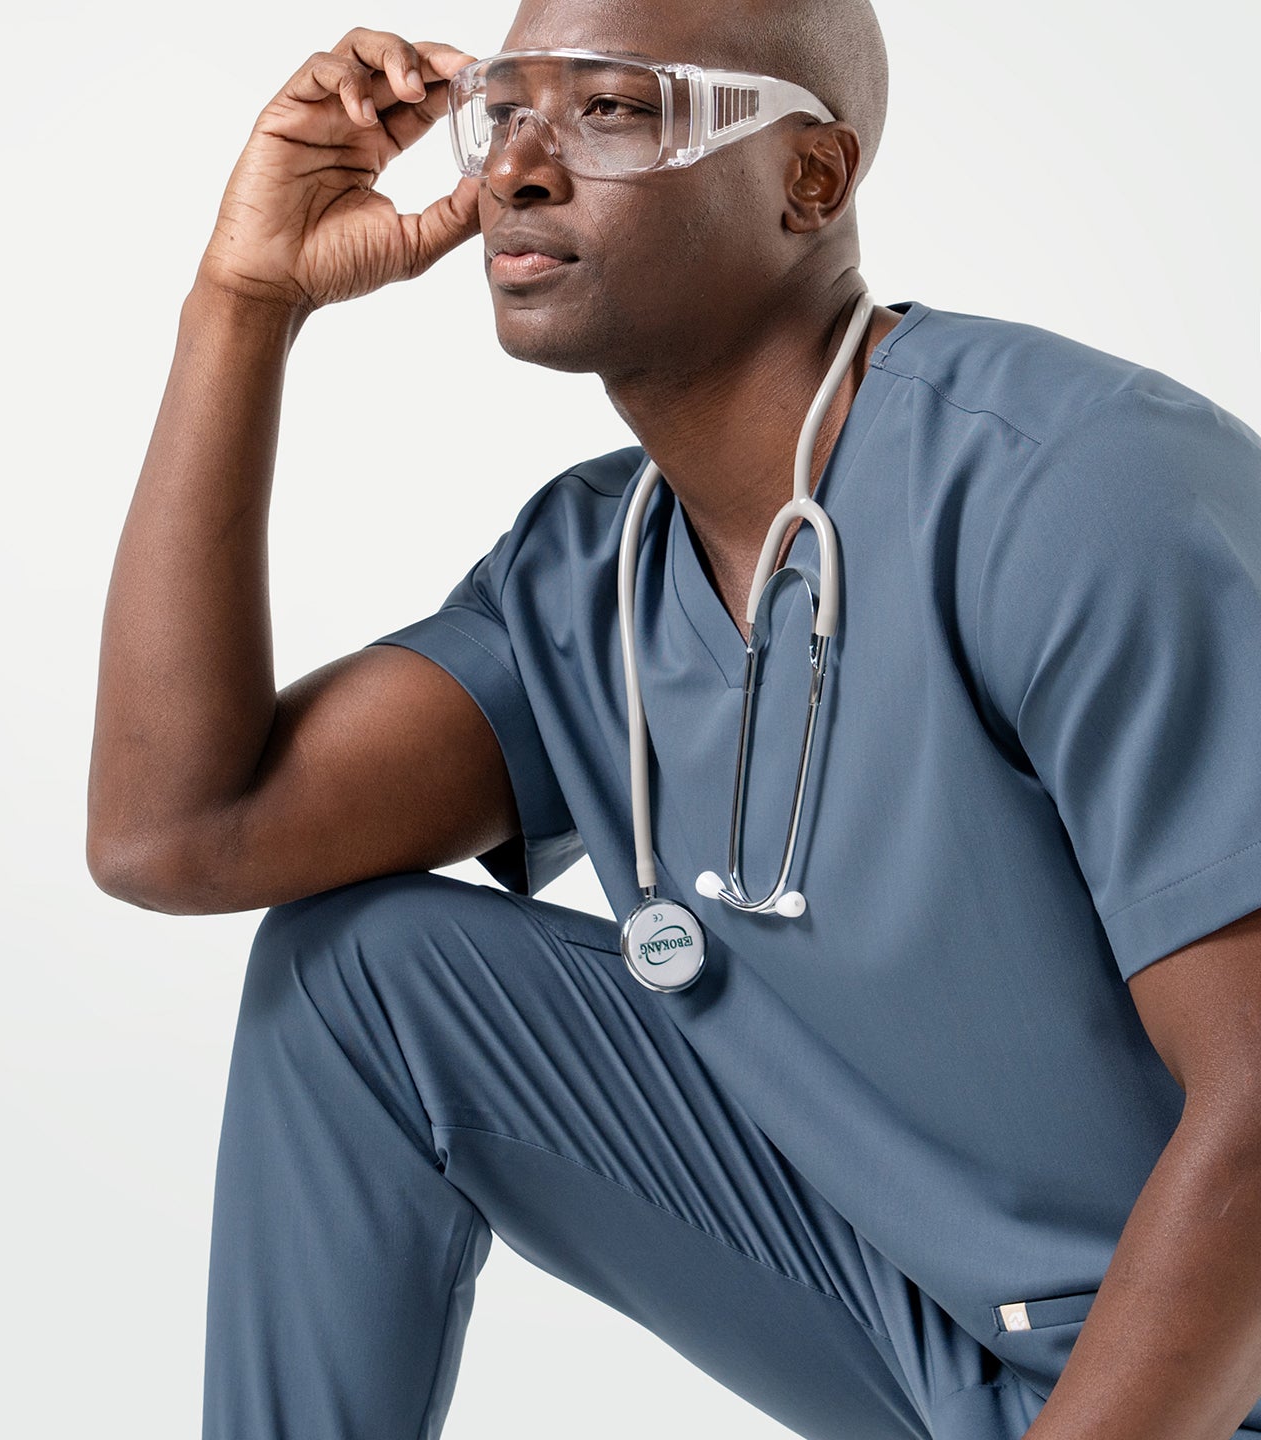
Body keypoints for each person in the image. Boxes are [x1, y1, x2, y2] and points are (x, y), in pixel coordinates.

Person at [85, 0, 1261, 1436]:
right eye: (503, 108)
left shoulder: (1075, 489)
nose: (515, 166)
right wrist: (243, 303)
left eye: (610, 110)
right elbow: (180, 832)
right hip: (923, 1324)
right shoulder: (590, 573)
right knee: (361, 980)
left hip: (1202, 1367)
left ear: (810, 180)